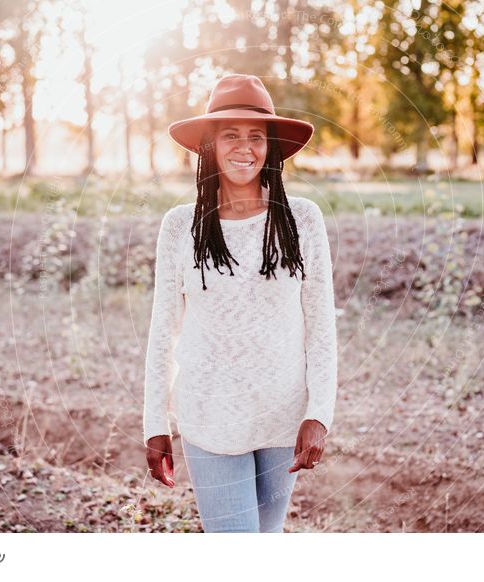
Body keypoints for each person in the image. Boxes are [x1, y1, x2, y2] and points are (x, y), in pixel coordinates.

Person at [142, 73, 338, 533]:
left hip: (282, 415)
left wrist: (318, 414)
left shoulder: (301, 221)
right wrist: (156, 422)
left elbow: (321, 327)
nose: (244, 147)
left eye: (256, 136)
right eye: (230, 134)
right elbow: (163, 331)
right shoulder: (180, 227)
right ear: (209, 145)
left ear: (270, 147)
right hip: (209, 416)